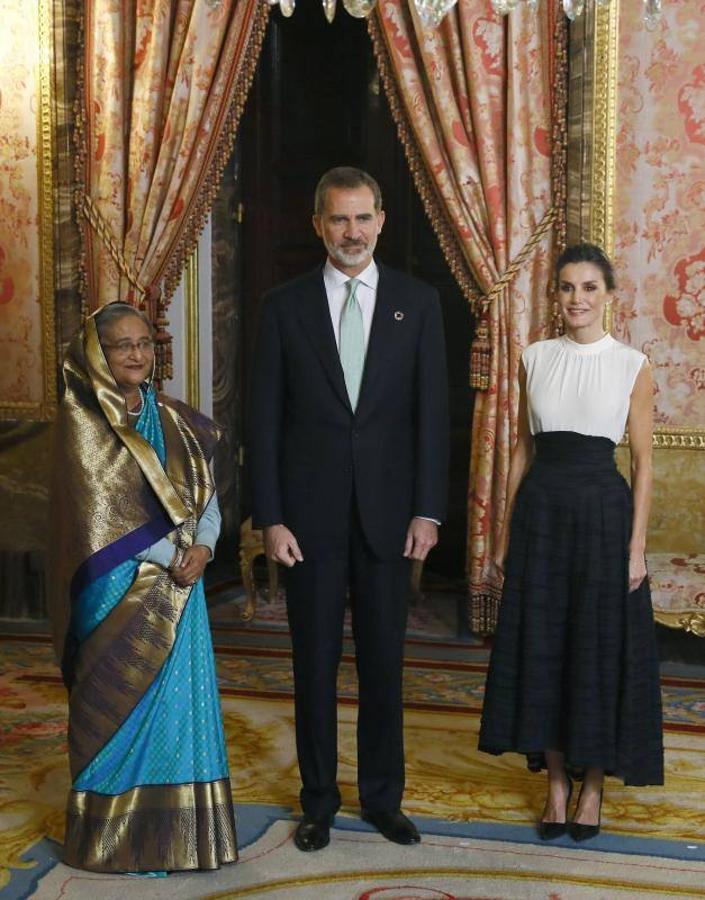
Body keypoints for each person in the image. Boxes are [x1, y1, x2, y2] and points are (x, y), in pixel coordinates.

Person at [248, 166, 449, 851]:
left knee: (384, 665)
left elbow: (431, 417)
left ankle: (383, 799)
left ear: (382, 220)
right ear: (317, 225)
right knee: (313, 664)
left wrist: (428, 510)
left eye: (362, 218)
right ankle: (318, 802)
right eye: (338, 219)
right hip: (306, 523)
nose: (351, 232)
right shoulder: (283, 307)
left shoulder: (417, 305)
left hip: (392, 518)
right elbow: (264, 421)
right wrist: (269, 517)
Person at [478, 243, 664, 841]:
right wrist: (503, 534)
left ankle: (593, 790)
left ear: (609, 296)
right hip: (541, 517)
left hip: (603, 520)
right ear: (554, 296)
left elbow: (642, 463)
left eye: (589, 287)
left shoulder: (632, 364)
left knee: (596, 649)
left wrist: (635, 548)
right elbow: (522, 451)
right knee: (544, 647)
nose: (576, 299)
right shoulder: (534, 357)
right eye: (566, 287)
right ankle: (556, 784)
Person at [48, 302, 237, 873]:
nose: (136, 355)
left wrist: (203, 548)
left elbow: (207, 499)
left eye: (144, 344)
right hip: (118, 587)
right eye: (121, 346)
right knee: (117, 700)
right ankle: (111, 836)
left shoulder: (176, 419)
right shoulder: (87, 425)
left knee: (179, 705)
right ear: (96, 355)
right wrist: (175, 554)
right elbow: (100, 520)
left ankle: (183, 837)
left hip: (186, 579)